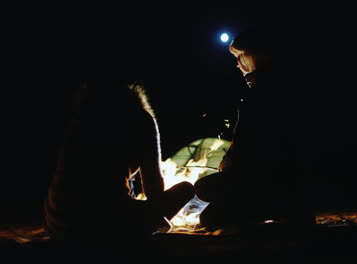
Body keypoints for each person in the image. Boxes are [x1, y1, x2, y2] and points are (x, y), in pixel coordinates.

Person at [44, 80, 194, 246]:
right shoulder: (142, 119)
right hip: (106, 225)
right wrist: (154, 216)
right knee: (185, 189)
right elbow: (154, 190)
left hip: (58, 224)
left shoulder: (81, 118)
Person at [194, 28, 315, 232]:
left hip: (260, 179)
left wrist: (228, 162)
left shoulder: (259, 94)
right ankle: (285, 208)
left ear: (252, 56)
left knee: (204, 190)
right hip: (285, 180)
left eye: (239, 56)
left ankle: (264, 208)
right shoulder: (284, 86)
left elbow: (249, 147)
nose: (237, 64)